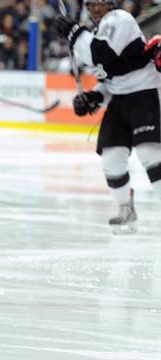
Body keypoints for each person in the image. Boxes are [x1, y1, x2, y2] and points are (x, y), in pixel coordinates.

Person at [56, 0, 161, 234]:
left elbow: (99, 53)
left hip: (144, 93)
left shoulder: (119, 20)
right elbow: (109, 80)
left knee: (150, 155)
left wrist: (74, 32)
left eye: (101, 4)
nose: (95, 9)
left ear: (111, 4)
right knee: (111, 160)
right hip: (119, 99)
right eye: (91, 4)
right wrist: (94, 97)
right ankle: (126, 208)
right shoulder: (94, 32)